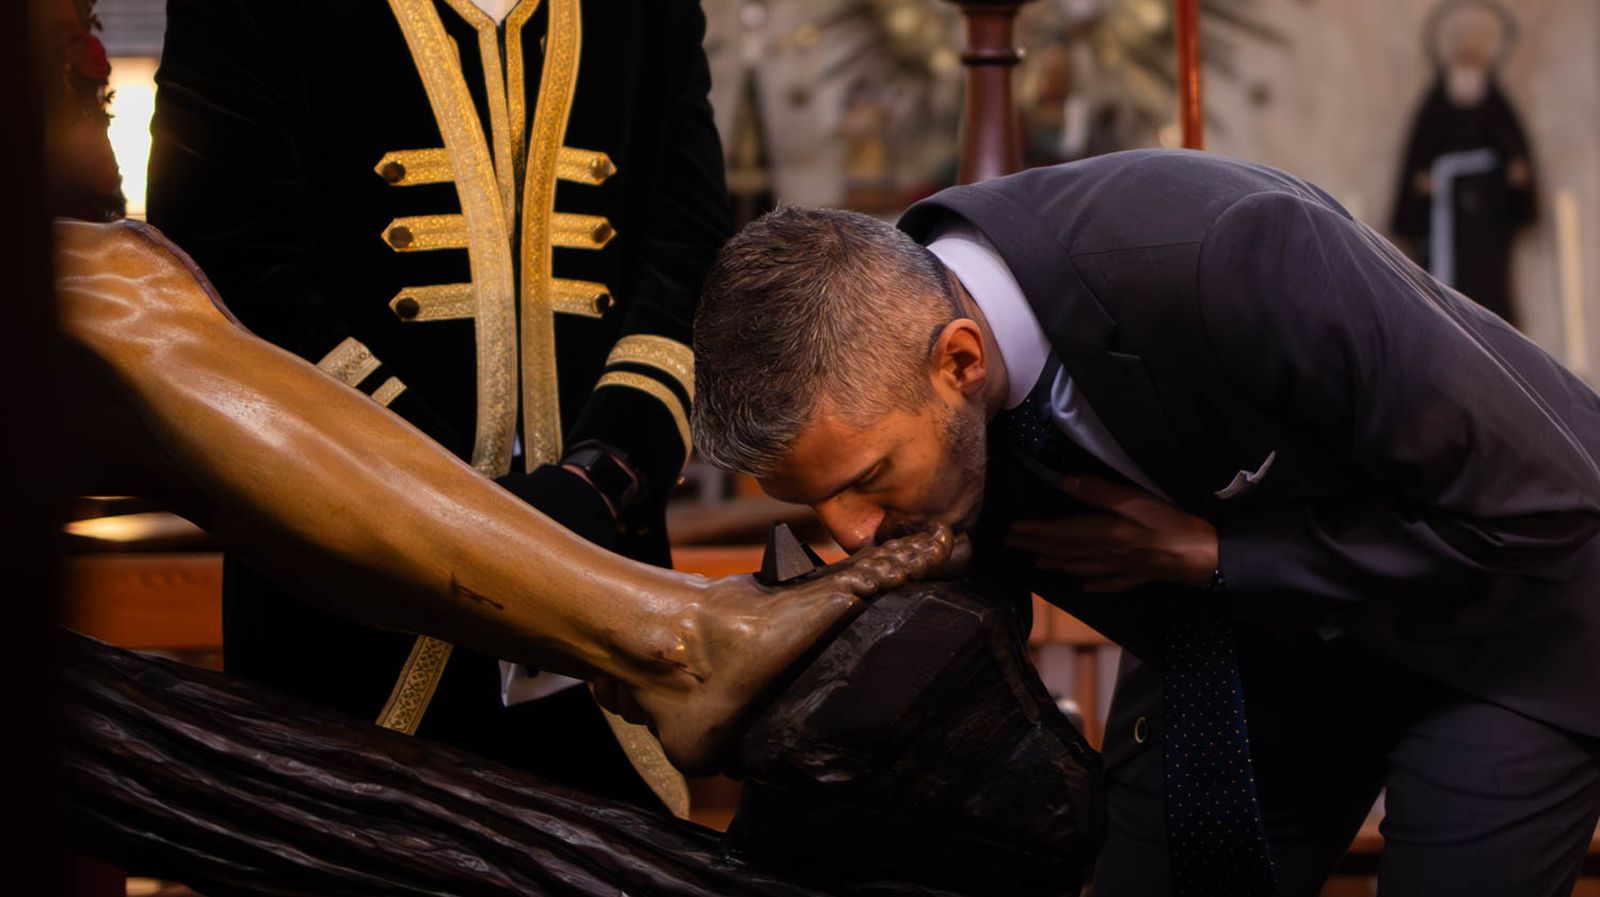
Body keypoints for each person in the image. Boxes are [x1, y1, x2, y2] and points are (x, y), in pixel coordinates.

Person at [690, 148, 1600, 897]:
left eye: (867, 479)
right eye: (816, 501)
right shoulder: (901, 347)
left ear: (961, 361)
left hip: (1505, 623)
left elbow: (1550, 498)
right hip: (1258, 652)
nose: (853, 531)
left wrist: (1226, 556)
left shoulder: (1226, 252)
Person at [53, 216, 955, 776]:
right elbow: (242, 249)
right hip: (356, 665)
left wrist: (600, 477)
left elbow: (676, 245)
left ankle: (670, 628)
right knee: (111, 291)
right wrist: (478, 501)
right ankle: (681, 638)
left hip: (599, 541)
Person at [147, 0, 732, 809]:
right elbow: (229, 270)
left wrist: (603, 477)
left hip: (602, 598)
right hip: (350, 613)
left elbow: (690, 249)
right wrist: (459, 507)